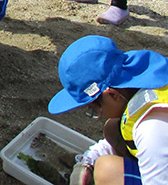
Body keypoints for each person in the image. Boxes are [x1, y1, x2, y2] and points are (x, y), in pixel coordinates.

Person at [48, 35, 168, 185]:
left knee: (107, 171)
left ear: (112, 94)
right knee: (113, 130)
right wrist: (87, 162)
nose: (100, 114)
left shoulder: (151, 129)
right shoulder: (152, 81)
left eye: (94, 109)